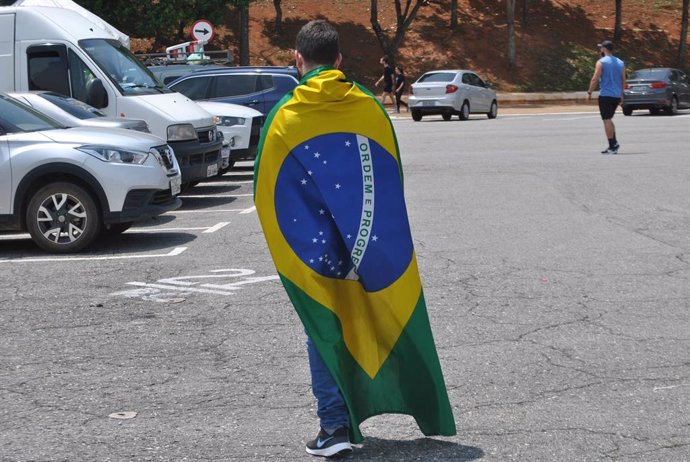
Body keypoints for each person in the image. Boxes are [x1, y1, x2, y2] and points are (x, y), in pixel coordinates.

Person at [254, 19, 455, 459]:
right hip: (370, 244)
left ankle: (334, 427)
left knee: (323, 327)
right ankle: (404, 400)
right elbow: (388, 176)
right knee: (382, 315)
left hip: (315, 251)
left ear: (297, 59)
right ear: (340, 60)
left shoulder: (285, 115)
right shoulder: (368, 106)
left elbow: (269, 190)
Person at [587, 40, 626, 154]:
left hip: (606, 95)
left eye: (601, 48)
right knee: (609, 118)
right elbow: (623, 80)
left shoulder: (601, 62)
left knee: (606, 119)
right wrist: (621, 95)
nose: (600, 50)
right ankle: (614, 142)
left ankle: (612, 146)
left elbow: (595, 78)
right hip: (616, 95)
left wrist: (589, 92)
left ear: (604, 49)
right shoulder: (620, 62)